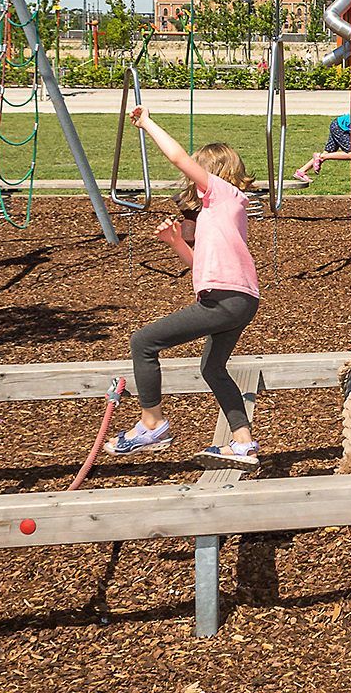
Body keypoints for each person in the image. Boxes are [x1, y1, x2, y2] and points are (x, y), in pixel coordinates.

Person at [110, 107, 262, 468]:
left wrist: (147, 123)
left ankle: (152, 424)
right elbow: (204, 268)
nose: (192, 180)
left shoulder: (222, 194)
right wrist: (176, 244)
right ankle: (242, 443)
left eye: (198, 172)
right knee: (212, 368)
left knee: (143, 342)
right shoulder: (220, 212)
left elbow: (177, 157)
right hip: (238, 299)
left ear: (212, 172)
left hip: (225, 300)